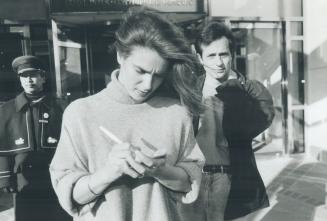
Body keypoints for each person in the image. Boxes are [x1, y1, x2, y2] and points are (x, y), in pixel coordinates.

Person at [49, 9, 205, 221]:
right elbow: (70, 196)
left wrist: (160, 170)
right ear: (120, 56)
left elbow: (190, 184)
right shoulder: (81, 113)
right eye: (140, 71)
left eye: (157, 76)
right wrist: (108, 172)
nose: (148, 85)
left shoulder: (177, 113)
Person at [179, 21, 275, 221]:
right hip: (196, 179)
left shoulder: (250, 91)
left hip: (233, 181)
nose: (219, 63)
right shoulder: (190, 91)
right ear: (199, 58)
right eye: (211, 56)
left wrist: (232, 90)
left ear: (232, 54)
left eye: (223, 54)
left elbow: (255, 124)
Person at [0, 55, 71, 221]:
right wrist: (4, 178)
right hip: (24, 177)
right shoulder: (7, 110)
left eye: (33, 75)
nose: (29, 80)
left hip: (55, 173)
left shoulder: (60, 106)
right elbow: (2, 146)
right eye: (24, 76)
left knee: (57, 215)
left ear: (43, 77)